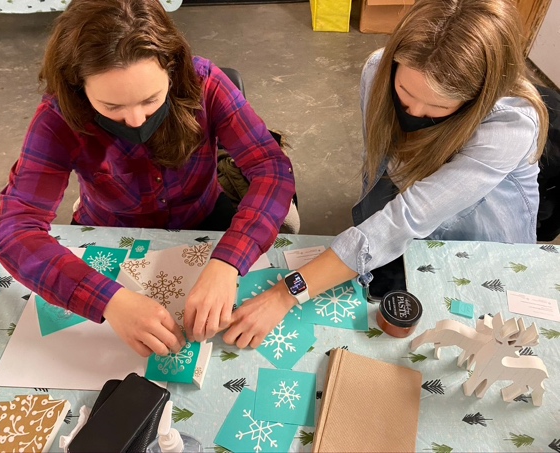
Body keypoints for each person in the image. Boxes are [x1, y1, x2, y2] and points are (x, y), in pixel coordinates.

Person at [222, 0, 549, 349]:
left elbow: (407, 217)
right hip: (406, 227)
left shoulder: (510, 123)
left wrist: (286, 293)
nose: (416, 112)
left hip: (478, 239)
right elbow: (383, 171)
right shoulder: (378, 70)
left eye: (439, 107)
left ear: (477, 97)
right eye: (405, 93)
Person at [0, 0, 295, 357]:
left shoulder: (206, 85)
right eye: (111, 107)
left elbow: (271, 168)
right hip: (108, 230)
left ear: (171, 68)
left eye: (151, 99)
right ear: (78, 86)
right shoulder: (57, 118)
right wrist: (109, 301)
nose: (136, 120)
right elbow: (14, 229)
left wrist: (229, 261)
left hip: (207, 219)